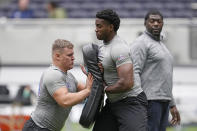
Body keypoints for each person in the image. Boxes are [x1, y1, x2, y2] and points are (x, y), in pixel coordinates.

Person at [93, 9, 148, 131]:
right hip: (113, 102)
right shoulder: (102, 48)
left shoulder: (119, 48)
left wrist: (105, 88)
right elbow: (107, 73)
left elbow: (127, 83)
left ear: (111, 27)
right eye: (95, 26)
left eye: (99, 26)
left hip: (131, 102)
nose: (96, 29)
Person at [22, 39, 93, 131]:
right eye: (69, 55)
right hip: (37, 128)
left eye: (73, 54)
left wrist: (91, 74)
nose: (73, 58)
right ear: (57, 56)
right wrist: (87, 91)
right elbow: (64, 101)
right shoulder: (53, 74)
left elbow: (87, 91)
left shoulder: (69, 76)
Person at [130, 10, 181, 131]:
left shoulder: (161, 45)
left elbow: (165, 77)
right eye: (152, 21)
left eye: (159, 21)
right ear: (145, 23)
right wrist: (140, 100)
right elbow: (134, 72)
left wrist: (172, 104)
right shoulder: (141, 43)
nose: (156, 24)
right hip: (149, 101)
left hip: (164, 100)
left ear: (163, 24)